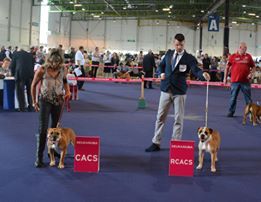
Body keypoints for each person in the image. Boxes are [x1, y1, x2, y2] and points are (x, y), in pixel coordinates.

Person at [145, 33, 210, 152]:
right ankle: (156, 142)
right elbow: (161, 66)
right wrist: (160, 73)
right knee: (160, 117)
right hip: (165, 89)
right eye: (177, 44)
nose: (179, 47)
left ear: (184, 43)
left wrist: (203, 74)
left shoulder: (189, 58)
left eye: (181, 44)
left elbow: (195, 70)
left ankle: (176, 144)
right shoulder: (169, 54)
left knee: (178, 119)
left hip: (180, 92)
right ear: (173, 43)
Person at [31, 49, 70, 168]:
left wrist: (67, 91)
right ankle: (39, 157)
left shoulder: (63, 69)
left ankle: (51, 153)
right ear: (49, 61)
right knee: (43, 129)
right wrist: (34, 102)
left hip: (58, 101)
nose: (55, 66)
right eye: (53, 63)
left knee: (55, 129)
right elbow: (33, 85)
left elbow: (64, 81)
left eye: (58, 64)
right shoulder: (42, 70)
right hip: (45, 100)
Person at [224, 42, 256, 117]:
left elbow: (253, 67)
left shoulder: (248, 56)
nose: (245, 49)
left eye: (246, 48)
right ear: (240, 47)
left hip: (245, 82)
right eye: (244, 48)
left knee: (248, 99)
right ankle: (231, 112)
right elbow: (227, 67)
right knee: (233, 98)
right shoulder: (233, 56)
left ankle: (251, 114)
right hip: (235, 81)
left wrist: (251, 74)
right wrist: (224, 78)